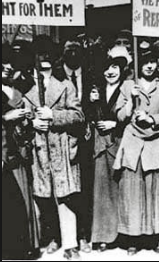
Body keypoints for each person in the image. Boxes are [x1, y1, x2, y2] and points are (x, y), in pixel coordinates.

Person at [23, 37, 84, 260]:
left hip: (61, 150)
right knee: (44, 197)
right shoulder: (27, 86)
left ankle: (70, 243)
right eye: (40, 53)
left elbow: (79, 116)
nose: (44, 57)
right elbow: (21, 116)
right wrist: (31, 123)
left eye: (47, 53)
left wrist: (54, 116)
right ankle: (52, 237)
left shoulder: (65, 85)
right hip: (39, 151)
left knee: (65, 197)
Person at [113, 46, 159, 255]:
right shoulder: (127, 85)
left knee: (157, 191)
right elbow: (120, 117)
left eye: (152, 62)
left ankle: (157, 237)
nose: (149, 66)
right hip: (133, 142)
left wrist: (152, 119)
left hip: (156, 141)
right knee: (133, 191)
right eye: (145, 62)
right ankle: (134, 237)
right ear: (138, 64)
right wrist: (131, 99)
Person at [86, 48, 130, 252]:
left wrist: (115, 125)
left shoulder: (128, 89)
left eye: (115, 67)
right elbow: (89, 117)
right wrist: (92, 102)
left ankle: (126, 235)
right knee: (103, 191)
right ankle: (104, 236)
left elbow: (133, 116)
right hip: (102, 145)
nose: (110, 72)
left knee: (125, 190)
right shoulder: (98, 89)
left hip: (123, 142)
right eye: (107, 68)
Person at [52, 37, 93, 253]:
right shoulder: (56, 77)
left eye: (77, 50)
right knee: (65, 190)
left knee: (84, 189)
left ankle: (84, 235)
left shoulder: (90, 75)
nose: (74, 55)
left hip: (86, 142)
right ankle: (61, 237)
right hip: (64, 141)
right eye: (70, 50)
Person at [2, 43, 37, 260]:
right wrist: (5, 118)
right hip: (3, 154)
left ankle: (22, 246)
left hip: (17, 154)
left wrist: (27, 119)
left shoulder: (16, 92)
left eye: (7, 62)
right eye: (1, 62)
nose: (5, 67)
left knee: (19, 202)